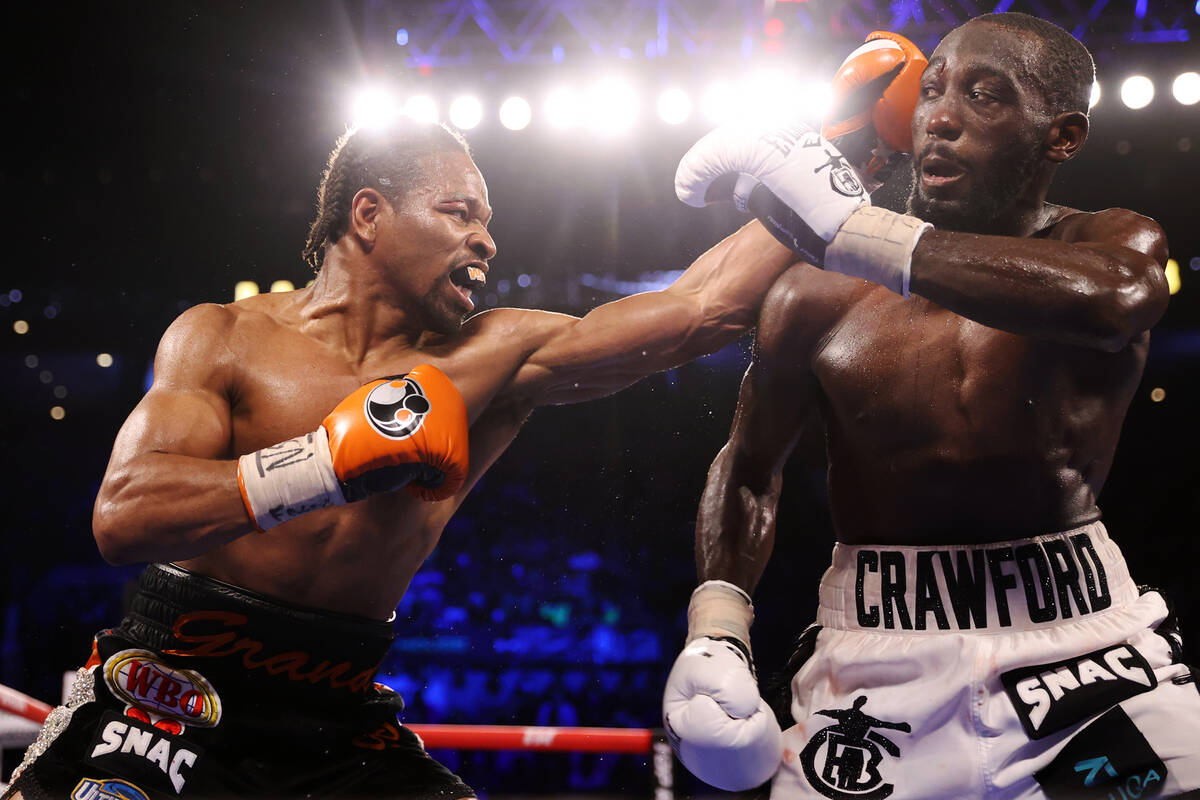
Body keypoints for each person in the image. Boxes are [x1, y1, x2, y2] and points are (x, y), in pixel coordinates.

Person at [3, 115, 859, 800]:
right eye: (461, 213)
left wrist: (839, 149)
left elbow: (700, 309)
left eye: (489, 222)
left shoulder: (491, 358)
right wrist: (324, 465)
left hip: (338, 719)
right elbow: (124, 514)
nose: (487, 241)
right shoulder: (223, 336)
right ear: (368, 214)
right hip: (168, 692)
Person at [663, 12, 1200, 800]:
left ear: (1062, 136)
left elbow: (1115, 299)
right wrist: (717, 631)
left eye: (986, 97)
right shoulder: (815, 293)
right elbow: (748, 470)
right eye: (933, 90)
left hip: (1087, 659)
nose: (941, 117)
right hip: (874, 666)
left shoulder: (1109, 242)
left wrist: (858, 232)